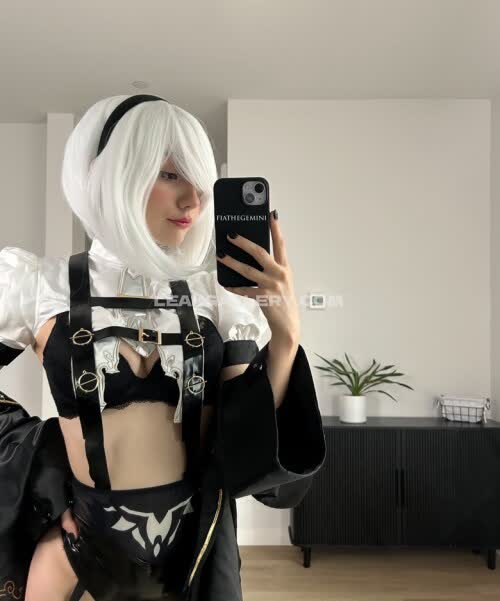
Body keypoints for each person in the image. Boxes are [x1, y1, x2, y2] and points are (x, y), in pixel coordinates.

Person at [0, 94, 326, 601]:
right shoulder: (41, 286)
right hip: (75, 555)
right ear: (112, 176)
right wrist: (43, 467)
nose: (193, 200)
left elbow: (246, 451)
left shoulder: (217, 299)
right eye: (169, 174)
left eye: (198, 180)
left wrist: (285, 338)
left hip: (194, 553)